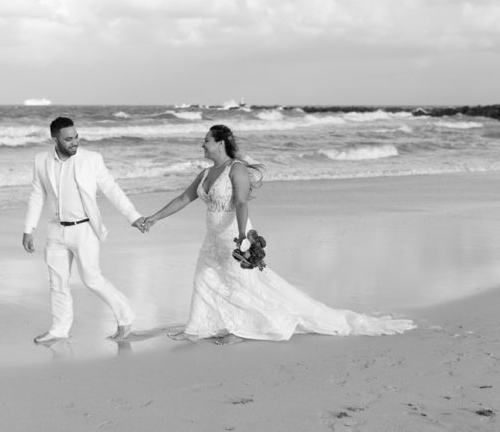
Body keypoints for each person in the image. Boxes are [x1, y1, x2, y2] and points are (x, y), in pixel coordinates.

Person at [144, 124, 415, 345]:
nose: (202, 145)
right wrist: (153, 218)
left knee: (242, 284)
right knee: (204, 278)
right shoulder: (205, 173)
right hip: (212, 236)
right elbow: (183, 198)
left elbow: (241, 202)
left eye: (206, 141)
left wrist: (242, 237)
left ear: (220, 144)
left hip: (233, 233)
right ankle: (195, 328)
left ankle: (242, 330)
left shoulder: (235, 169)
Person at [22, 116, 146, 343]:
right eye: (68, 139)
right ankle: (59, 329)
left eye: (76, 137)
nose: (75, 142)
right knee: (57, 282)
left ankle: (125, 315)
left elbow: (111, 188)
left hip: (84, 229)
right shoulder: (41, 160)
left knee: (92, 279)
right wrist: (28, 228)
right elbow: (37, 194)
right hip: (56, 230)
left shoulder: (91, 159)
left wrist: (133, 216)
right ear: (55, 139)